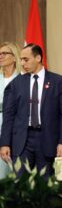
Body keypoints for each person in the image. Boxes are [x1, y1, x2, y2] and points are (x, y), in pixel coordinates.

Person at [0, 44, 62, 178]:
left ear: (38, 58)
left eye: (26, 59)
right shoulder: (16, 83)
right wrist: (4, 143)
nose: (22, 63)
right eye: (21, 59)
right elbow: (8, 116)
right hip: (22, 141)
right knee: (20, 185)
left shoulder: (58, 81)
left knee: (45, 186)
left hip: (47, 140)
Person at [0, 42, 21, 179]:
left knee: (12, 173)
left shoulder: (21, 80)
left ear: (14, 57)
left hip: (14, 129)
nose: (0, 56)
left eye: (4, 53)